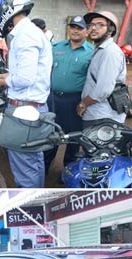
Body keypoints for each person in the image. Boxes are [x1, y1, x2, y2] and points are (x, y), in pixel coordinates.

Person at [0, 0, 52, 188]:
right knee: (33, 163)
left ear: (8, 10)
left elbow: (24, 79)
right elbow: (28, 72)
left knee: (25, 171)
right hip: (31, 108)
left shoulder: (25, 35)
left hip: (24, 111)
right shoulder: (29, 33)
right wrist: (3, 75)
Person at [43, 15, 93, 177]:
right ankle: (44, 167)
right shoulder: (56, 47)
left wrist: (85, 102)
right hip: (54, 99)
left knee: (72, 138)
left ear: (86, 32)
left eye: (80, 28)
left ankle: (68, 171)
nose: (75, 31)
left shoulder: (91, 53)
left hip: (75, 101)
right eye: (73, 27)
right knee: (51, 135)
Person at [77, 11, 127, 125]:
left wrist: (83, 104)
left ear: (111, 30)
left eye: (100, 25)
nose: (93, 28)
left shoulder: (110, 52)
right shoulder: (100, 49)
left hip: (103, 116)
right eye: (91, 25)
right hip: (97, 113)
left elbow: (103, 89)